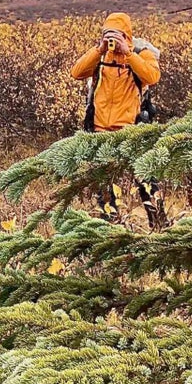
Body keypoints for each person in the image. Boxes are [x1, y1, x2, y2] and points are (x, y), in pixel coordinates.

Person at [71, 12, 167, 229]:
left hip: (131, 129)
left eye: (116, 35)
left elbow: (152, 77)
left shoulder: (141, 52)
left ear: (127, 35)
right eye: (108, 34)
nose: (112, 40)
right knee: (104, 186)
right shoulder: (101, 55)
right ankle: (110, 226)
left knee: (145, 181)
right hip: (100, 130)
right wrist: (99, 49)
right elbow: (76, 72)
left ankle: (159, 224)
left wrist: (128, 53)